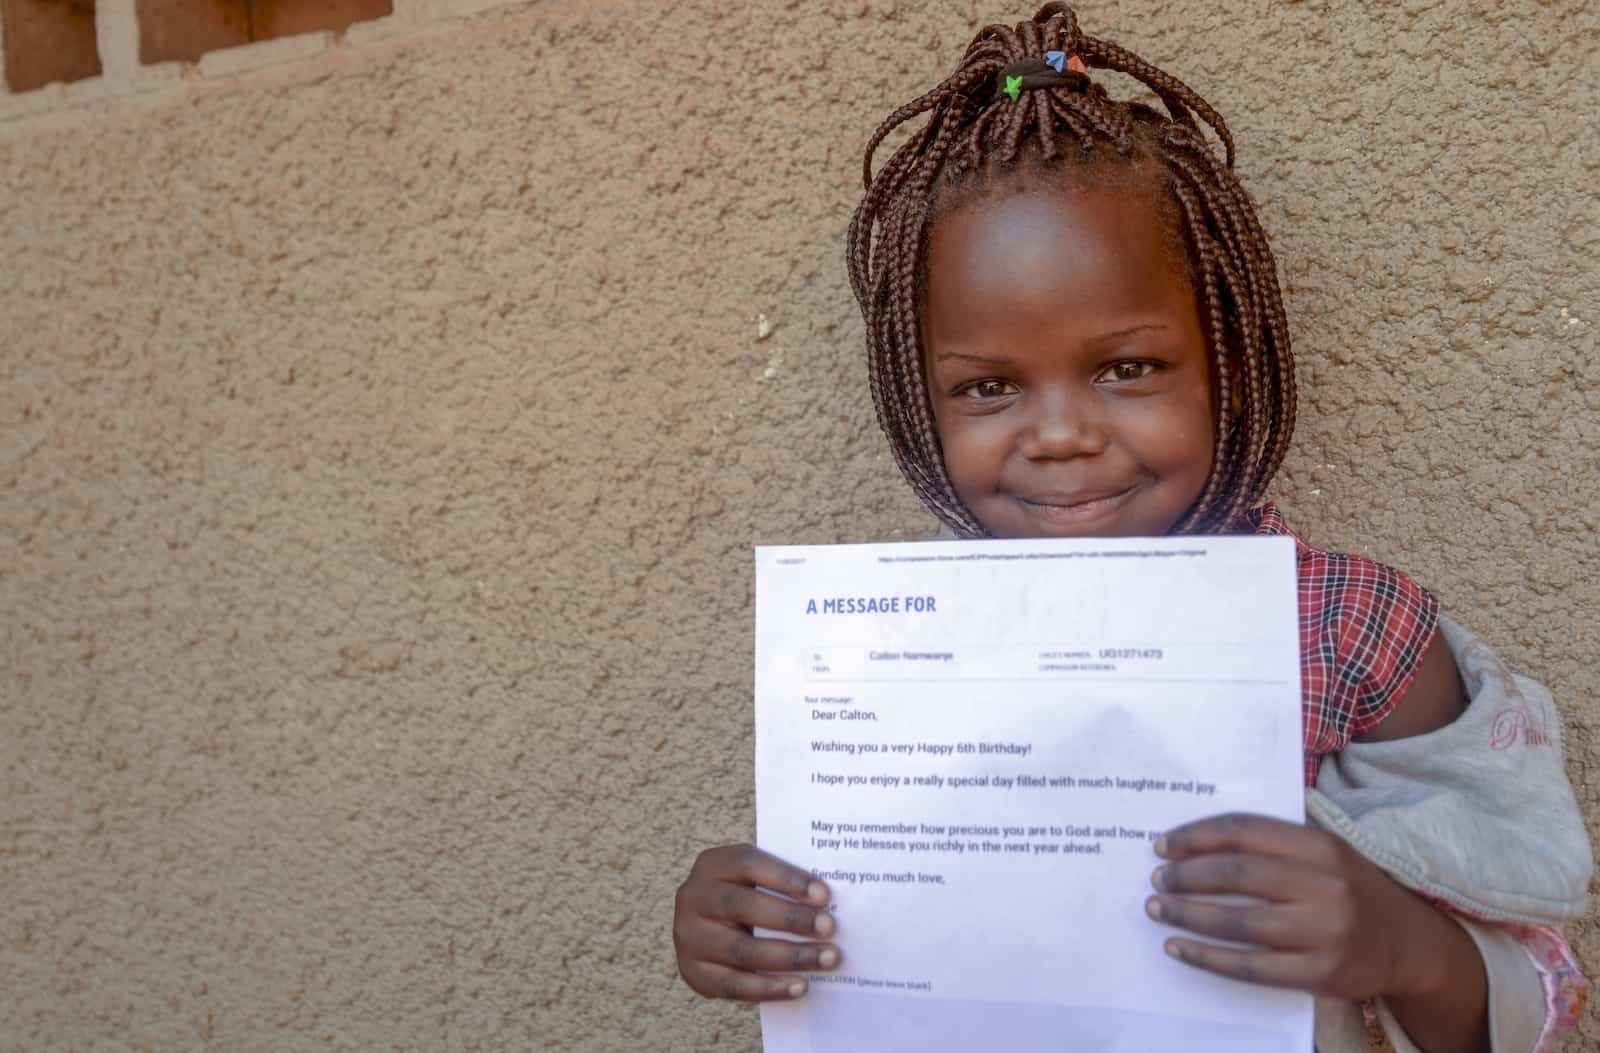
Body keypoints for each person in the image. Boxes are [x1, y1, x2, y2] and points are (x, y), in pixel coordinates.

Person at [671, 6, 1591, 1050]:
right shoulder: (889, 661)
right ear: (916, 403)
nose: (1060, 435)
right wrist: (748, 928)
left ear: (1229, 363)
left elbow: (1541, 1000)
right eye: (986, 388)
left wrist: (1397, 943)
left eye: (1127, 368)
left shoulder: (1350, 630)